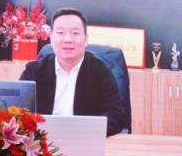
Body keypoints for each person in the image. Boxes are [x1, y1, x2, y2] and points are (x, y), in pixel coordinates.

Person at [19, 8, 127, 136]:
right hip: (42, 141)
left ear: (86, 39)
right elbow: (17, 112)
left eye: (75, 33)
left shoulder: (101, 72)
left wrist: (83, 131)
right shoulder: (34, 71)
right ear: (51, 38)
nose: (68, 39)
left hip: (85, 139)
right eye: (60, 32)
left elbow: (115, 117)